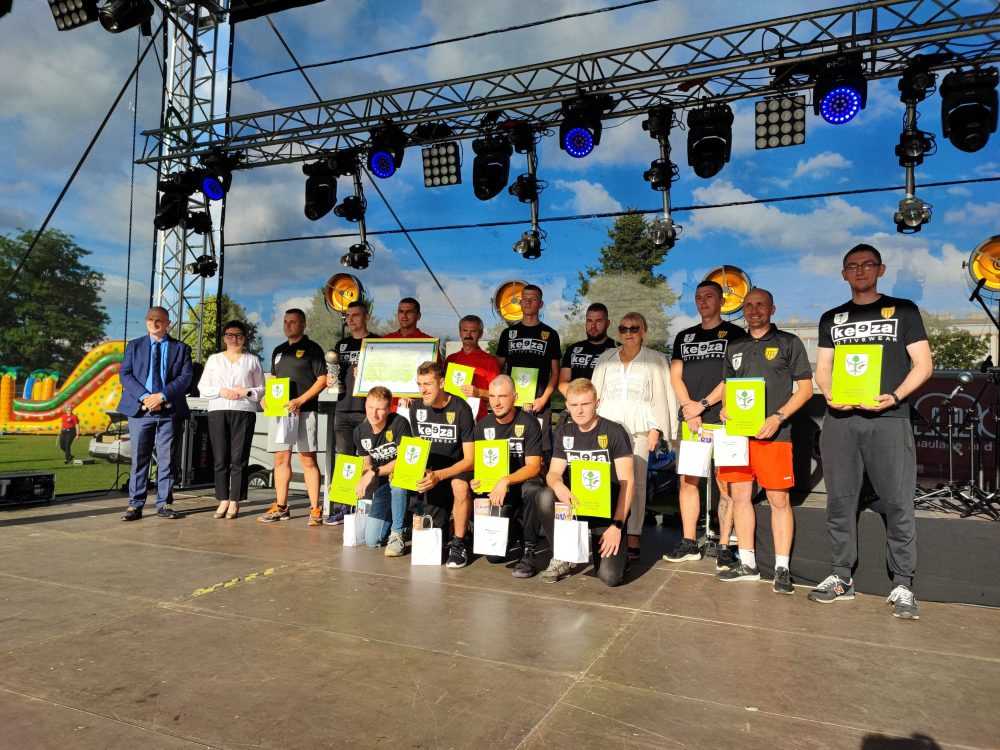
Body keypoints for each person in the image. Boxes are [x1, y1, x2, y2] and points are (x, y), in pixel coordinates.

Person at [811, 243, 933, 619]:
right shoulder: (832, 318)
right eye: (852, 266)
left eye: (867, 264)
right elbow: (823, 368)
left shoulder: (904, 310)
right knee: (840, 501)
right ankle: (841, 576)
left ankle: (903, 583)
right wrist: (830, 395)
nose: (860, 270)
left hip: (889, 419)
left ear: (881, 270)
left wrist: (894, 396)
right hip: (841, 421)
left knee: (897, 502)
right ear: (843, 274)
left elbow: (923, 365)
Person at [706, 289, 812, 592]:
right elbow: (729, 386)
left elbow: (805, 390)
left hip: (774, 435)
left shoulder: (789, 342)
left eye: (760, 305)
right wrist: (726, 408)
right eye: (749, 305)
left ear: (772, 309)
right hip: (738, 436)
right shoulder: (735, 346)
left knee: (779, 501)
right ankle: (748, 563)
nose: (754, 310)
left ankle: (781, 569)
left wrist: (777, 417)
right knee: (739, 498)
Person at [666, 280, 747, 570]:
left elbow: (733, 377)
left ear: (722, 301)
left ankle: (725, 546)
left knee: (727, 485)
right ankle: (689, 542)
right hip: (693, 423)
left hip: (724, 421)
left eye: (709, 296)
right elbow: (676, 376)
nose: (703, 301)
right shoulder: (684, 336)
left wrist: (702, 405)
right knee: (688, 481)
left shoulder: (736, 334)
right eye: (699, 297)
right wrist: (689, 409)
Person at [590, 312, 677, 560]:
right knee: (606, 480)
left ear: (644, 331)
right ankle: (604, 528)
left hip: (639, 430)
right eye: (624, 328)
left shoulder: (656, 360)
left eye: (634, 328)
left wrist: (656, 429)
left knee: (636, 484)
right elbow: (594, 394)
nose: (628, 333)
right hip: (606, 428)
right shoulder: (606, 358)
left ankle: (633, 535)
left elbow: (663, 397)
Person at [536, 378, 634, 586]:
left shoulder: (614, 432)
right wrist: (558, 485)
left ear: (597, 403)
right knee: (545, 496)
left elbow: (628, 483)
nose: (579, 411)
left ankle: (620, 554)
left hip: (606, 512)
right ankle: (563, 555)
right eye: (574, 405)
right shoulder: (564, 432)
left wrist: (617, 525)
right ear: (567, 405)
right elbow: (553, 473)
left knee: (609, 577)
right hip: (576, 507)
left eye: (585, 404)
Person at [118, 306, 193, 521]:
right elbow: (125, 374)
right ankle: (135, 505)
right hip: (140, 411)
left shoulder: (181, 348)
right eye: (150, 319)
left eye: (159, 320)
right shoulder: (134, 346)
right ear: (146, 322)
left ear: (168, 323)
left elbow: (185, 378)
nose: (154, 323)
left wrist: (161, 396)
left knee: (167, 459)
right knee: (139, 459)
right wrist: (145, 397)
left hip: (169, 411)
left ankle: (164, 504)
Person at [258, 308, 328, 527]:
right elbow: (274, 379)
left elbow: (322, 380)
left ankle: (315, 508)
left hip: (304, 411)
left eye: (293, 322)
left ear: (303, 324)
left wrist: (300, 400)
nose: (288, 325)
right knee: (281, 458)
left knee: (307, 458)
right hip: (281, 413)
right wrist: (267, 398)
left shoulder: (313, 349)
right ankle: (281, 506)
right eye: (286, 322)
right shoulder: (278, 351)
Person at [472, 374, 545, 578]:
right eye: (492, 396)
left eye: (502, 396)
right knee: (494, 557)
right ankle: (516, 529)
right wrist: (476, 481)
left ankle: (529, 550)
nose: (496, 402)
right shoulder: (482, 426)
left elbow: (534, 467)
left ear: (515, 397)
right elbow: (480, 466)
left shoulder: (529, 423)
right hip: (499, 492)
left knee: (533, 490)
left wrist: (506, 480)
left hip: (523, 485)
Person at [197, 320, 264, 520]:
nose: (234, 339)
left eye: (238, 335)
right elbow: (202, 387)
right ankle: (222, 499)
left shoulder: (252, 360)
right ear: (224, 338)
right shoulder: (214, 359)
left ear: (244, 338)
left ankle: (235, 500)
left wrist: (246, 391)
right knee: (220, 458)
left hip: (243, 411)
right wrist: (220, 391)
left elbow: (261, 389)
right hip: (218, 410)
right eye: (229, 335)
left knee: (239, 458)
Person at [411, 361, 475, 567]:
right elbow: (418, 449)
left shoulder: (461, 408)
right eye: (420, 384)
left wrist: (439, 475)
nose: (423, 390)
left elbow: (470, 460)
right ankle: (449, 526)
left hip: (457, 469)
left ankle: (459, 543)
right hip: (432, 473)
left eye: (428, 384)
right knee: (432, 549)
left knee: (459, 486)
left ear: (442, 383)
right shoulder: (416, 407)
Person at [495, 284, 561, 455]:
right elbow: (496, 369)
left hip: (538, 404)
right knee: (512, 448)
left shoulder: (550, 334)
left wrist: (543, 399)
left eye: (533, 299)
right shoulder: (508, 334)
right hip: (512, 403)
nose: (528, 302)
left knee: (540, 451)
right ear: (520, 302)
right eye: (525, 299)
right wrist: (500, 397)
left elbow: (555, 373)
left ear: (541, 304)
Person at [327, 299, 375, 526]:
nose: (351, 319)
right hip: (343, 408)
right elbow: (333, 374)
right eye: (348, 315)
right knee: (345, 460)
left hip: (367, 411)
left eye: (356, 315)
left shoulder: (377, 342)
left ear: (366, 317)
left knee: (368, 460)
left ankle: (367, 508)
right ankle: (342, 508)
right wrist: (330, 379)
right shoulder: (341, 345)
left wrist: (367, 373)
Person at [353, 386, 411, 556]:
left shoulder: (399, 423)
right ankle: (404, 521)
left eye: (380, 409)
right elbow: (367, 465)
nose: (374, 413)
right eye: (370, 407)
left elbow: (404, 461)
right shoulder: (359, 432)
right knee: (372, 541)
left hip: (404, 479)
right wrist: (358, 480)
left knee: (397, 483)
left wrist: (374, 472)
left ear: (389, 409)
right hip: (383, 484)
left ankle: (397, 534)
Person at [444, 314, 500, 420]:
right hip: (451, 417)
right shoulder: (451, 359)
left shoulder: (490, 361)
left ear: (480, 334)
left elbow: (498, 395)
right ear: (460, 332)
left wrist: (478, 392)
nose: (468, 335)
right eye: (465, 330)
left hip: (478, 420)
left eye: (473, 331)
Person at [558, 302, 617, 394]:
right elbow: (562, 383)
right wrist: (579, 399)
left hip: (605, 401)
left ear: (607, 323)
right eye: (589, 321)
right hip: (576, 401)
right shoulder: (573, 349)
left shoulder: (618, 350)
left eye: (598, 321)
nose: (593, 326)